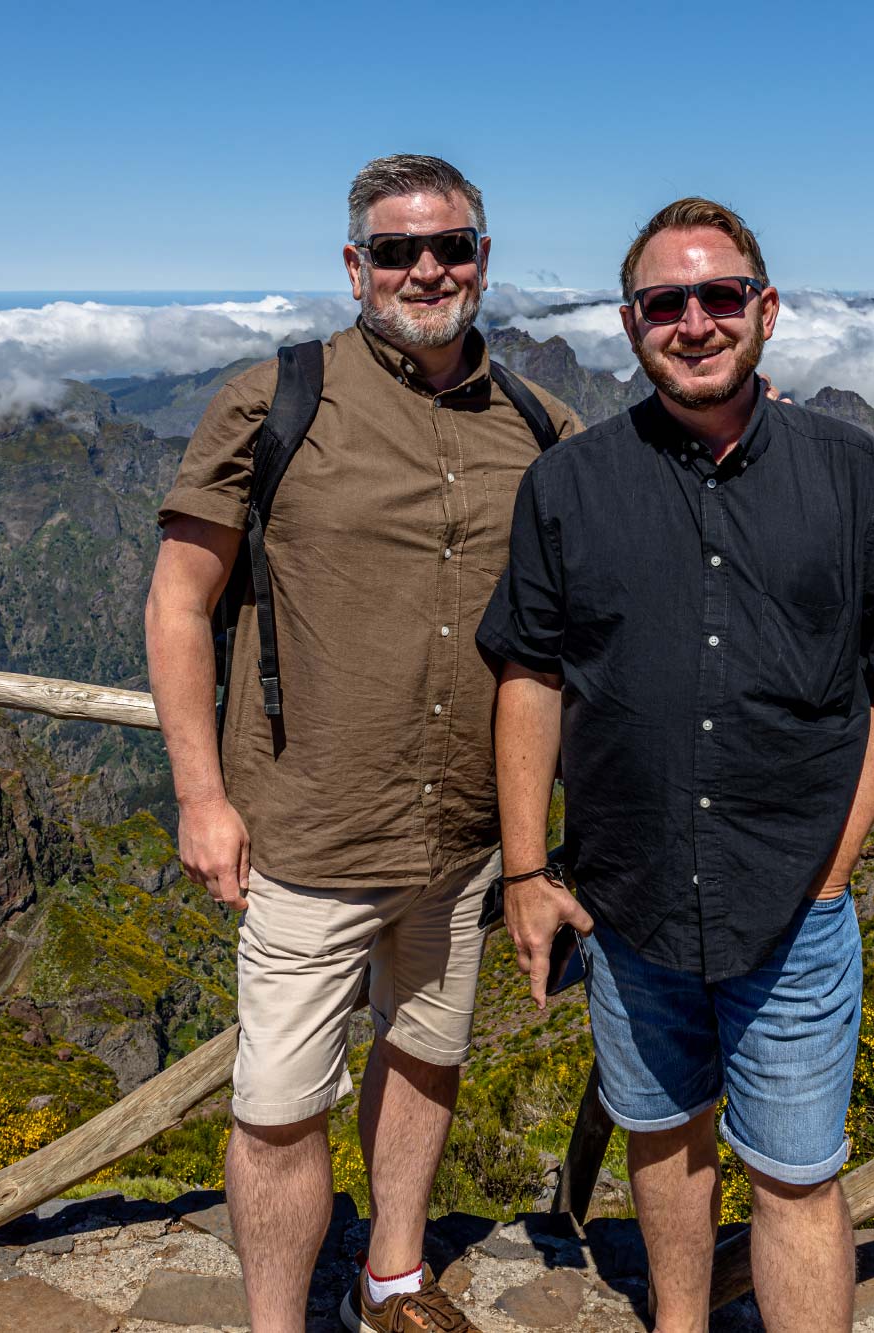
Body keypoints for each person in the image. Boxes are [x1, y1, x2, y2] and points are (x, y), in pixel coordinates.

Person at [477, 197, 874, 1332]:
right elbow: (528, 676)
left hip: (792, 906)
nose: (693, 322)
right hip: (627, 902)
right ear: (630, 325)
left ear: (763, 310)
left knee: (794, 1174)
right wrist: (528, 874)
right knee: (662, 1140)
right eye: (663, 303)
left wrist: (831, 868)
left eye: (718, 296)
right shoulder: (569, 486)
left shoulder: (853, 475)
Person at [145, 153, 578, 1333]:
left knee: (427, 1053)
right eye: (396, 249)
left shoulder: (541, 424)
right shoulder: (272, 397)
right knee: (280, 1104)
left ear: (483, 259)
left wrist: (772, 445)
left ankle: (391, 1276)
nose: (423, 268)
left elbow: (645, 506)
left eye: (448, 246)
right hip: (309, 824)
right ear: (354, 266)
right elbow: (179, 601)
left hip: (462, 835)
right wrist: (199, 794)